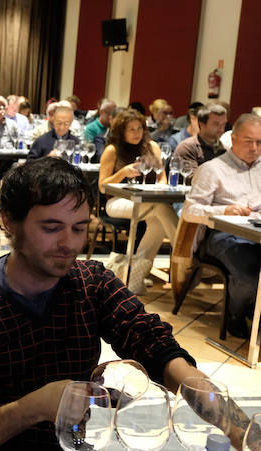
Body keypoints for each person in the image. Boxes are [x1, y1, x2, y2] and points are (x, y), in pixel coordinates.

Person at [0, 157, 210, 451]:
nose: (68, 243)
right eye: (51, 228)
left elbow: (154, 344)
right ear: (9, 221)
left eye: (79, 228)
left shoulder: (91, 283)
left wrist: (225, 415)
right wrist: (32, 408)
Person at [182, 113, 261, 339]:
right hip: (221, 236)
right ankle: (236, 313)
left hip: (255, 233)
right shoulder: (213, 168)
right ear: (233, 139)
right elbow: (189, 211)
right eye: (248, 141)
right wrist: (222, 210)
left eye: (260, 142)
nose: (255, 147)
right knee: (251, 274)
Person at [98, 108, 176, 294]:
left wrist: (159, 187)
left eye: (139, 128)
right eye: (131, 129)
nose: (137, 133)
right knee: (161, 208)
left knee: (158, 223)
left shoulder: (152, 147)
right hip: (117, 202)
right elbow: (102, 186)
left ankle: (134, 277)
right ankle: (185, 252)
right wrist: (122, 173)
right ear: (121, 131)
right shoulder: (112, 150)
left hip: (149, 200)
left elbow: (161, 178)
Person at [172, 104, 227, 173]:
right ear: (201, 124)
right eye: (216, 124)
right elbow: (194, 179)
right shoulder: (188, 147)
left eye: (223, 124)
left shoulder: (223, 149)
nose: (221, 129)